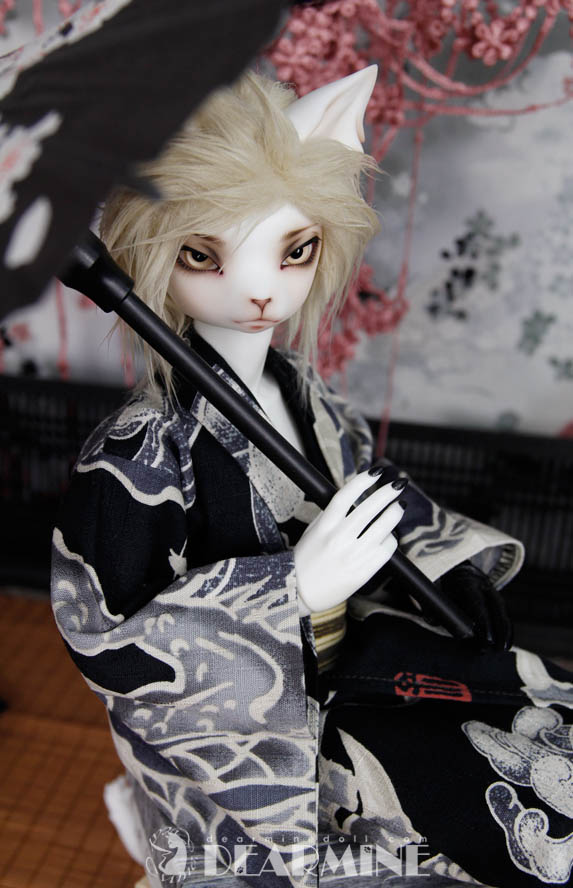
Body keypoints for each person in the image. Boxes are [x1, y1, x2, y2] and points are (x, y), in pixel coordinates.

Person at [51, 69, 573, 888]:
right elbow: (108, 638)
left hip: (366, 652)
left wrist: (444, 569)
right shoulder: (140, 452)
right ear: (147, 252)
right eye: (203, 255)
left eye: (293, 250)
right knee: (496, 825)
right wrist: (287, 588)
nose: (261, 289)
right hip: (266, 736)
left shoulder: (301, 390)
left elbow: (373, 489)